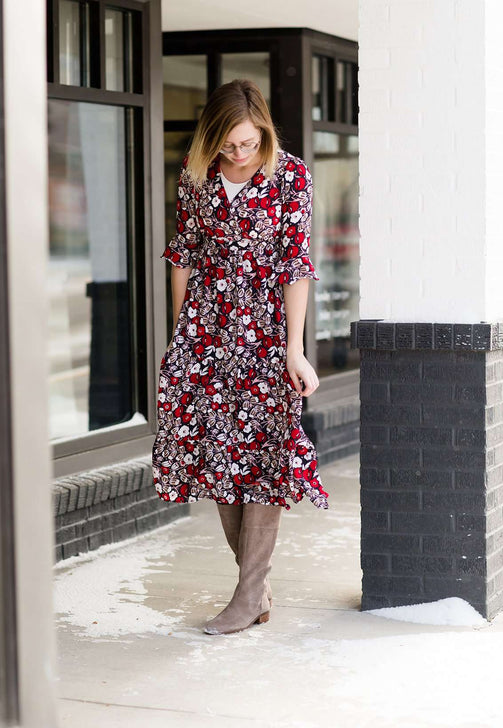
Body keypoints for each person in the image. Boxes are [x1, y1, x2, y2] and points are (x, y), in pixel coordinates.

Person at [152, 79, 329, 636]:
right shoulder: (197, 172)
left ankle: (248, 593)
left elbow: (296, 267)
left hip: (264, 332)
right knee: (215, 456)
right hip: (205, 330)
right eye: (229, 145)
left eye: (249, 143)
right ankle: (254, 589)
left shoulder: (290, 177)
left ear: (265, 132)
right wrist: (181, 333)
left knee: (263, 457)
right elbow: (182, 255)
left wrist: (294, 351)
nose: (239, 153)